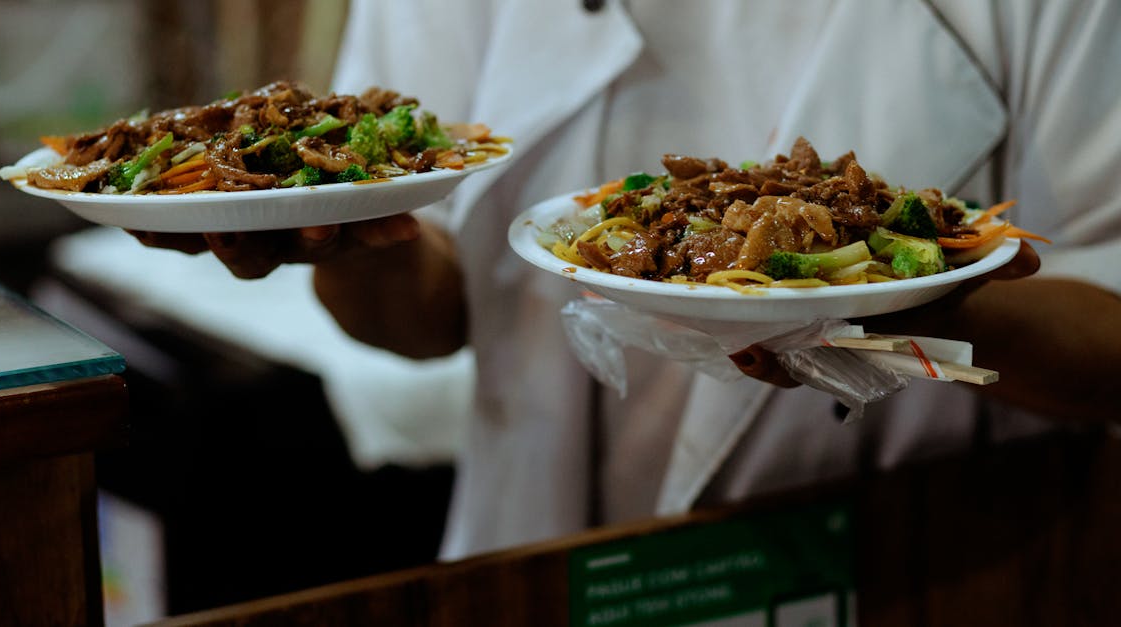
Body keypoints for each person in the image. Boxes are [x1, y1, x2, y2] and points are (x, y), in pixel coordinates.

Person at [129, 0, 1121, 561]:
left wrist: (911, 305)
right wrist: (331, 231)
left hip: (918, 558)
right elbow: (428, 317)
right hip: (545, 551)